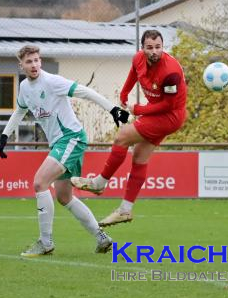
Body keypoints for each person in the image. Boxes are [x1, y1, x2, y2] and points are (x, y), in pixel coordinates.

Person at [0, 45, 129, 257]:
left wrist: (112, 109)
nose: (34, 65)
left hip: (71, 138)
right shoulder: (24, 87)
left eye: (37, 60)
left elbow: (85, 92)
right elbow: (20, 110)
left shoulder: (51, 81)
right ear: (20, 65)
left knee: (40, 182)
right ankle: (102, 238)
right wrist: (5, 135)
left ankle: (45, 242)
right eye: (29, 61)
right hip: (62, 142)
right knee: (64, 197)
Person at [71, 29, 187, 227]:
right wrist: (124, 93)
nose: (154, 51)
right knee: (139, 156)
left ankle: (99, 183)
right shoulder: (138, 59)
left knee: (122, 137)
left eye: (158, 47)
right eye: (149, 47)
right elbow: (134, 72)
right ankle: (125, 210)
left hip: (170, 116)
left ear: (162, 48)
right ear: (142, 48)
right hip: (158, 114)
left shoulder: (172, 72)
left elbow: (169, 105)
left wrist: (138, 109)